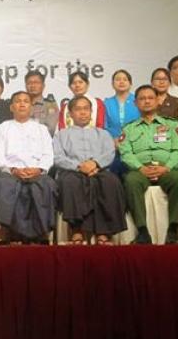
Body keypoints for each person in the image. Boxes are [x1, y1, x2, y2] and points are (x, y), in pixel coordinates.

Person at [118, 85, 178, 244]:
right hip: (140, 170)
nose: (147, 101)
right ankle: (142, 232)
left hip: (166, 169)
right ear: (135, 103)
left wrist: (167, 167)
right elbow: (126, 153)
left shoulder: (172, 125)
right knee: (131, 181)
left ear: (158, 101)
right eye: (142, 99)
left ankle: (173, 230)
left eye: (150, 98)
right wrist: (140, 168)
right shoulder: (129, 128)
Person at [53, 96, 127, 244]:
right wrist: (79, 166)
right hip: (72, 171)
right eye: (78, 109)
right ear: (70, 114)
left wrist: (95, 164)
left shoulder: (103, 134)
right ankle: (77, 230)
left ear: (91, 112)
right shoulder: (61, 135)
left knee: (111, 182)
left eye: (86, 109)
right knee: (70, 182)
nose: (83, 112)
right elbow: (57, 157)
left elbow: (110, 153)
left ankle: (104, 232)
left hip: (98, 170)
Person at [0, 91, 57, 244]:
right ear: (11, 107)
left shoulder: (41, 129)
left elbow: (48, 154)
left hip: (36, 172)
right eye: (18, 101)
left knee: (47, 184)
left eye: (26, 101)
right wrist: (13, 170)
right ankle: (8, 232)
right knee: (6, 184)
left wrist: (39, 169)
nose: (22, 104)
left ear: (31, 107)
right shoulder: (1, 129)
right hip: (10, 172)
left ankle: (41, 233)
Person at [104, 69, 140, 174]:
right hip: (113, 146)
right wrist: (112, 140)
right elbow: (104, 125)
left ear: (130, 84)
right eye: (118, 79)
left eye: (125, 79)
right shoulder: (106, 103)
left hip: (136, 146)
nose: (121, 82)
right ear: (112, 84)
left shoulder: (139, 101)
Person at [25, 70, 59, 136]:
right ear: (26, 86)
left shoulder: (50, 105)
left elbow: (51, 128)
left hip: (42, 141)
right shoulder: (21, 105)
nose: (33, 85)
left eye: (36, 82)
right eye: (29, 83)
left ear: (43, 86)